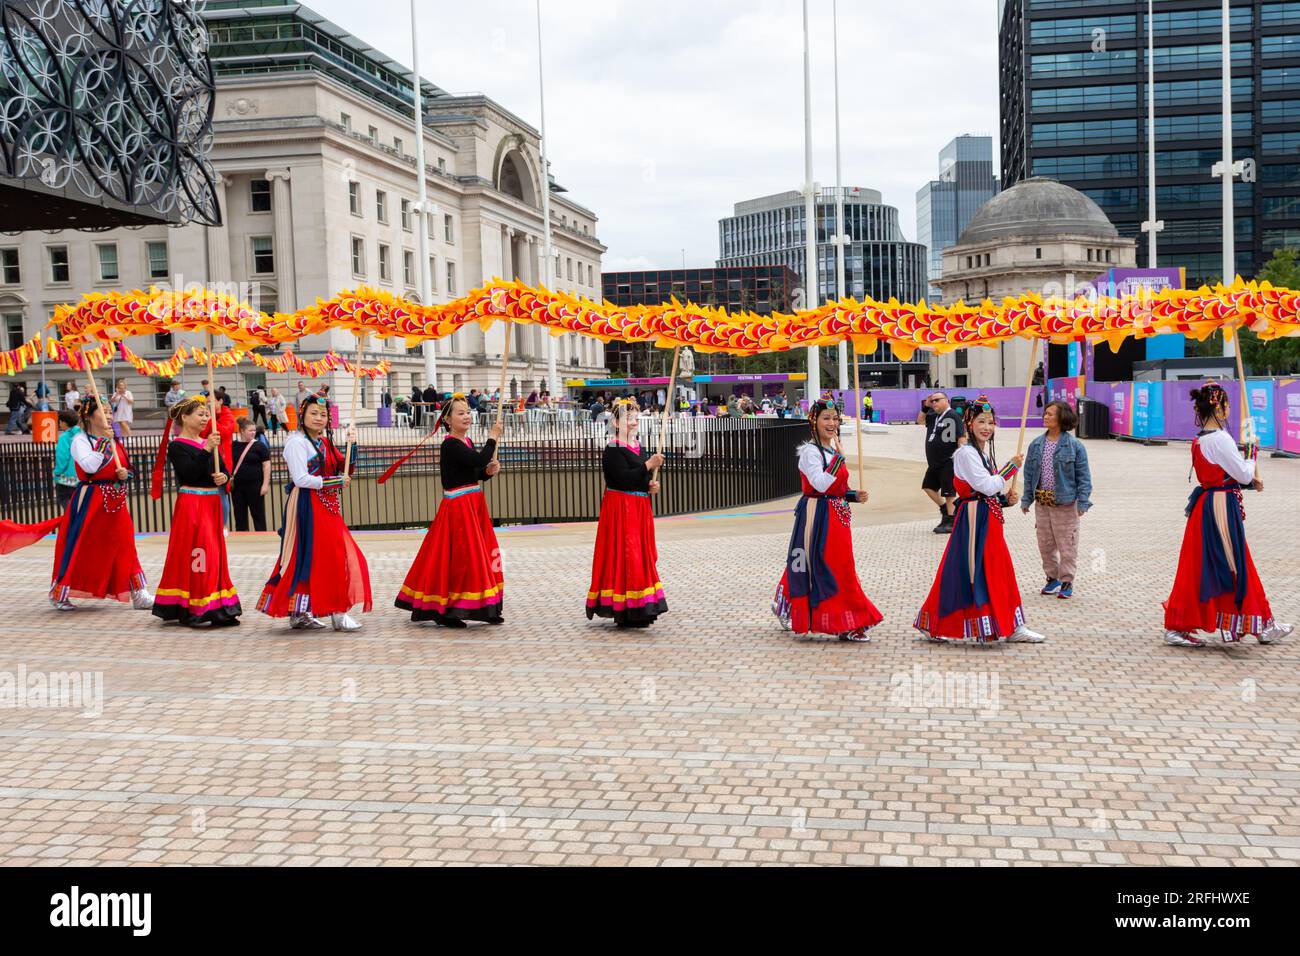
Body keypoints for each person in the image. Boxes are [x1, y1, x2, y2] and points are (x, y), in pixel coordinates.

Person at [1162, 383, 1291, 647]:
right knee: (1237, 564)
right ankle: (1262, 624)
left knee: (1198, 567)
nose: (1229, 410)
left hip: (1207, 506)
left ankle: (1179, 625)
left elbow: (1223, 475)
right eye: (1227, 405)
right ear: (1219, 407)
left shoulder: (1201, 439)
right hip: (1220, 508)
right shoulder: (1220, 439)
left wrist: (1246, 479)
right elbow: (1242, 473)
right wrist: (1253, 453)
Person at [914, 396, 1044, 644]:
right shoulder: (965, 454)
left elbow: (986, 491)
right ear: (969, 424)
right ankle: (937, 622)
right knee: (968, 571)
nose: (987, 427)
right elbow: (984, 486)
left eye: (991, 422)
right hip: (974, 522)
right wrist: (1010, 469)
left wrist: (1004, 500)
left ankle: (1011, 624)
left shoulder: (981, 453)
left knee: (998, 570)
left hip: (986, 518)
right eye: (981, 422)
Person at [257, 394, 371, 631]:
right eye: (314, 414)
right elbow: (301, 479)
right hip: (307, 504)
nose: (319, 418)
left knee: (332, 555)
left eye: (323, 414)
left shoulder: (324, 443)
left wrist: (353, 444)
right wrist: (334, 482)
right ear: (302, 415)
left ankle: (314, 612)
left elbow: (345, 467)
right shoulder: (296, 442)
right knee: (310, 556)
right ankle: (327, 613)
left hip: (327, 505)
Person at [771, 399, 881, 642]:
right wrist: (840, 459)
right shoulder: (811, 452)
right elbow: (820, 485)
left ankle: (787, 602)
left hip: (837, 517)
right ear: (814, 421)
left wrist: (853, 495)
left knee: (835, 565)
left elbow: (837, 489)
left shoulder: (831, 452)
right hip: (817, 516)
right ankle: (845, 621)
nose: (832, 424)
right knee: (823, 566)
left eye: (835, 418)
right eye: (826, 418)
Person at [395, 394, 504, 626]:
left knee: (479, 555)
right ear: (447, 419)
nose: (466, 416)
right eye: (460, 413)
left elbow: (474, 473)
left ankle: (484, 606)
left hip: (473, 505)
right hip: (458, 509)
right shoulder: (450, 444)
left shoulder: (466, 442)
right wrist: (492, 437)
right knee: (463, 558)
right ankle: (450, 610)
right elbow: (479, 459)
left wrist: (487, 473)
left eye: (467, 412)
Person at [151, 396, 241, 627]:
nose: (205, 418)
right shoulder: (178, 445)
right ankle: (195, 605)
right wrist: (207, 448)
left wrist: (225, 477)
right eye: (200, 414)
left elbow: (221, 469)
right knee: (198, 552)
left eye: (206, 414)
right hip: (193, 502)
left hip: (212, 503)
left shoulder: (207, 442)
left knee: (214, 553)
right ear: (184, 417)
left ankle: (218, 604)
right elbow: (189, 472)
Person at [586, 399, 668, 628]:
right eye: (628, 418)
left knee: (641, 555)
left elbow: (637, 478)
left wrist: (649, 485)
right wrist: (647, 466)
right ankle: (627, 608)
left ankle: (641, 605)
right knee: (627, 555)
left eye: (636, 419)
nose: (633, 423)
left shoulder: (638, 447)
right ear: (615, 422)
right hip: (622, 510)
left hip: (638, 509)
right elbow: (621, 478)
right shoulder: (612, 449)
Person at [1019, 400, 1093, 600]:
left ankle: (1067, 580)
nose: (1046, 416)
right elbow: (1029, 474)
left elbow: (1083, 476)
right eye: (1045, 413)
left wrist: (1083, 502)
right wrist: (1026, 500)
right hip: (1042, 503)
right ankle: (1052, 578)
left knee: (1067, 544)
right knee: (1045, 543)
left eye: (1051, 414)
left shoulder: (1075, 445)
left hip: (1066, 503)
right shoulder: (1036, 445)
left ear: (1062, 418)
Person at [921, 390, 965, 534]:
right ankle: (946, 510)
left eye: (937, 400)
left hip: (948, 461)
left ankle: (951, 520)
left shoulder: (953, 416)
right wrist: (925, 407)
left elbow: (961, 437)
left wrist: (962, 458)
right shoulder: (934, 416)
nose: (934, 403)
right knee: (928, 486)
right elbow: (920, 420)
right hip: (934, 462)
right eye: (932, 401)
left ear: (946, 400)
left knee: (949, 492)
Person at [230, 417, 271, 532]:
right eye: (250, 430)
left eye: (254, 430)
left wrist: (265, 485)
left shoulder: (260, 446)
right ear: (242, 431)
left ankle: (262, 540)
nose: (253, 433)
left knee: (258, 515)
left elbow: (266, 465)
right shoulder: (233, 445)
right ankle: (242, 540)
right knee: (239, 516)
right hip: (237, 487)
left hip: (255, 486)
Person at [52, 410, 81, 510]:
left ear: (64, 422)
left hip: (66, 477)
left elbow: (62, 458)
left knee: (65, 500)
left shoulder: (64, 437)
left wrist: (57, 472)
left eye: (59, 421)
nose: (59, 424)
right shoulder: (81, 434)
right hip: (81, 477)